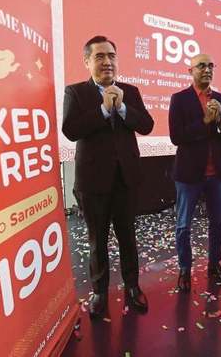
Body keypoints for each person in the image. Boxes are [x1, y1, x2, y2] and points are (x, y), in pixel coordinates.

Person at [62, 35, 154, 317]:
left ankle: (132, 287)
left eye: (111, 56)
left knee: (128, 238)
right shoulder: (76, 92)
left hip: (126, 180)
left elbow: (147, 125)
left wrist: (123, 108)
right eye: (100, 56)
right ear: (87, 61)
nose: (107, 62)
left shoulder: (130, 91)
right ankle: (100, 293)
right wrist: (103, 110)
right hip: (92, 184)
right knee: (96, 240)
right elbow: (71, 130)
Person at [168, 53, 221, 292]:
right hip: (188, 174)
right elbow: (176, 136)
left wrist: (219, 119)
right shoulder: (179, 99)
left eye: (211, 65)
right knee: (183, 226)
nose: (207, 69)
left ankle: (214, 265)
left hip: (217, 174)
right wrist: (205, 121)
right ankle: (185, 269)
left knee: (217, 224)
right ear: (190, 70)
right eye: (201, 66)